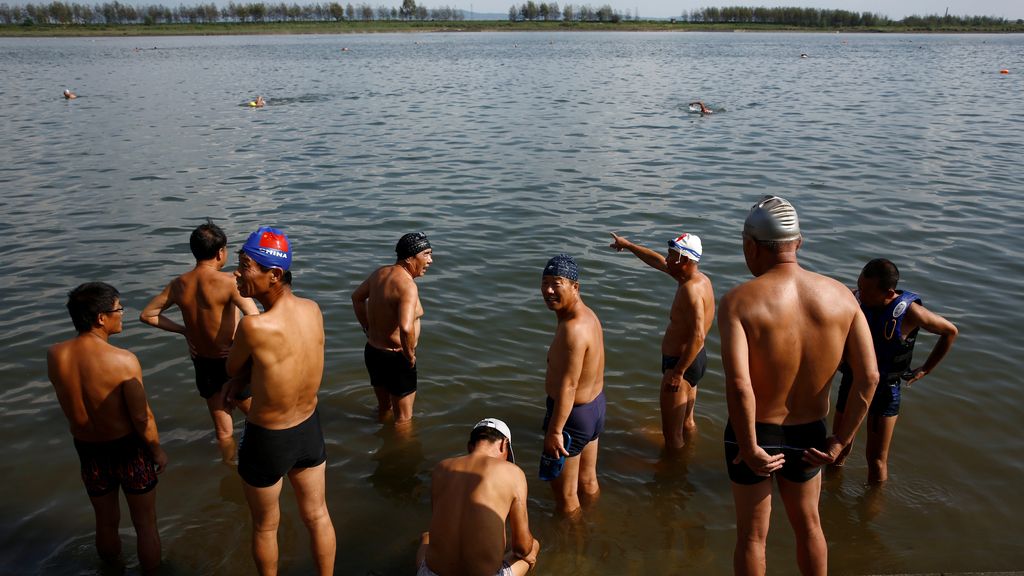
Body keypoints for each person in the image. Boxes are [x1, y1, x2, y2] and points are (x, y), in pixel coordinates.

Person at [719, 196, 878, 576]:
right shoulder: (841, 296)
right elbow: (869, 377)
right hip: (810, 433)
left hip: (754, 431)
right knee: (809, 527)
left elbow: (741, 386)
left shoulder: (738, 302)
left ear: (751, 246)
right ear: (799, 243)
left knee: (752, 537)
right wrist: (840, 441)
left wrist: (748, 446)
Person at [227, 226, 336, 575]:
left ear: (273, 275)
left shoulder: (253, 327)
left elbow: (232, 367)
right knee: (318, 515)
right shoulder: (314, 309)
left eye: (245, 265)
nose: (237, 273)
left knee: (265, 526)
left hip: (269, 438)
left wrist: (241, 379)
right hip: (309, 428)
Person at [47, 282, 167, 574]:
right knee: (145, 524)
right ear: (101, 317)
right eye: (118, 309)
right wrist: (156, 451)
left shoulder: (55, 355)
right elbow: (142, 418)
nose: (122, 314)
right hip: (127, 449)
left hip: (88, 450)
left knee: (105, 521)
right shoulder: (123, 360)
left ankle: (112, 570)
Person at [140, 220, 259, 462]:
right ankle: (262, 467)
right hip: (231, 361)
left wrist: (185, 331)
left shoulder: (179, 284)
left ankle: (230, 468)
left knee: (224, 431)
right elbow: (255, 318)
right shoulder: (229, 283)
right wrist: (242, 345)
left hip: (203, 363)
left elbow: (147, 315)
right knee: (261, 417)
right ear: (220, 253)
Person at [832, 258, 958, 483]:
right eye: (859, 286)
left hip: (886, 389)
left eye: (866, 290)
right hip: (853, 381)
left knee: (876, 459)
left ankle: (871, 507)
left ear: (889, 293)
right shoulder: (855, 298)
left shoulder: (910, 313)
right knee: (838, 444)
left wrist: (926, 368)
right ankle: (832, 486)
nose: (860, 294)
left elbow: (950, 331)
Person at [609, 232, 715, 452]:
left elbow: (698, 335)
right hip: (696, 360)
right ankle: (690, 459)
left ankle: (672, 479)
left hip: (681, 364)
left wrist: (677, 372)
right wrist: (628, 245)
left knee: (671, 436)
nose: (666, 259)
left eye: (671, 255)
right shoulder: (698, 279)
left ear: (684, 261)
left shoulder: (691, 291)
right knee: (687, 423)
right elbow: (656, 261)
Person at [416, 418, 540, 576]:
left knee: (426, 537)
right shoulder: (513, 472)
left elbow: (440, 524)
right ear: (504, 444)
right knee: (532, 545)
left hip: (432, 574)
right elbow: (522, 548)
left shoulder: (441, 468)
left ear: (470, 446)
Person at [539, 254, 606, 517]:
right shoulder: (588, 316)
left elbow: (568, 385)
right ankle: (593, 524)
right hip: (594, 409)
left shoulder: (573, 329)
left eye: (557, 283)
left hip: (571, 418)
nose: (548, 290)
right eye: (544, 283)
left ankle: (574, 548)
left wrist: (555, 430)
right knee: (587, 482)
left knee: (565, 498)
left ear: (575, 287)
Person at [351, 232, 433, 426]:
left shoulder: (379, 273)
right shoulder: (407, 285)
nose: (430, 260)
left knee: (384, 408)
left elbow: (356, 298)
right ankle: (402, 455)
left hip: (373, 352)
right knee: (404, 420)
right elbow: (405, 327)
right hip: (397, 358)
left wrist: (367, 328)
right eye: (426, 254)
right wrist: (410, 354)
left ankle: (380, 446)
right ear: (410, 257)